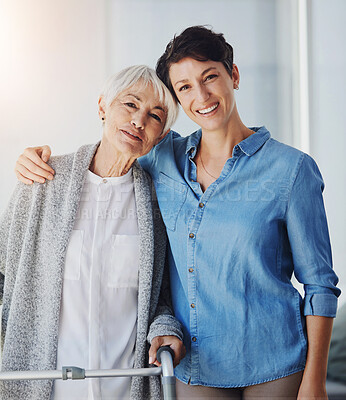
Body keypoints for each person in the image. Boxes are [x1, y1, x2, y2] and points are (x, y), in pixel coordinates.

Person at [13, 26, 340, 400]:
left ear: (233, 75)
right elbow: (115, 145)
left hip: (273, 358)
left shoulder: (291, 169)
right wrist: (37, 160)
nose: (201, 95)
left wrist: (315, 381)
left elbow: (320, 284)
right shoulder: (163, 157)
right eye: (184, 87)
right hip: (193, 364)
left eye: (210, 77)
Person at [0, 65, 186, 400]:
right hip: (44, 386)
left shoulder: (157, 206)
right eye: (130, 105)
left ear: (160, 135)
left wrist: (164, 329)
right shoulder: (42, 180)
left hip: (123, 386)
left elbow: (160, 298)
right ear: (102, 106)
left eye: (155, 116)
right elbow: (3, 272)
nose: (139, 121)